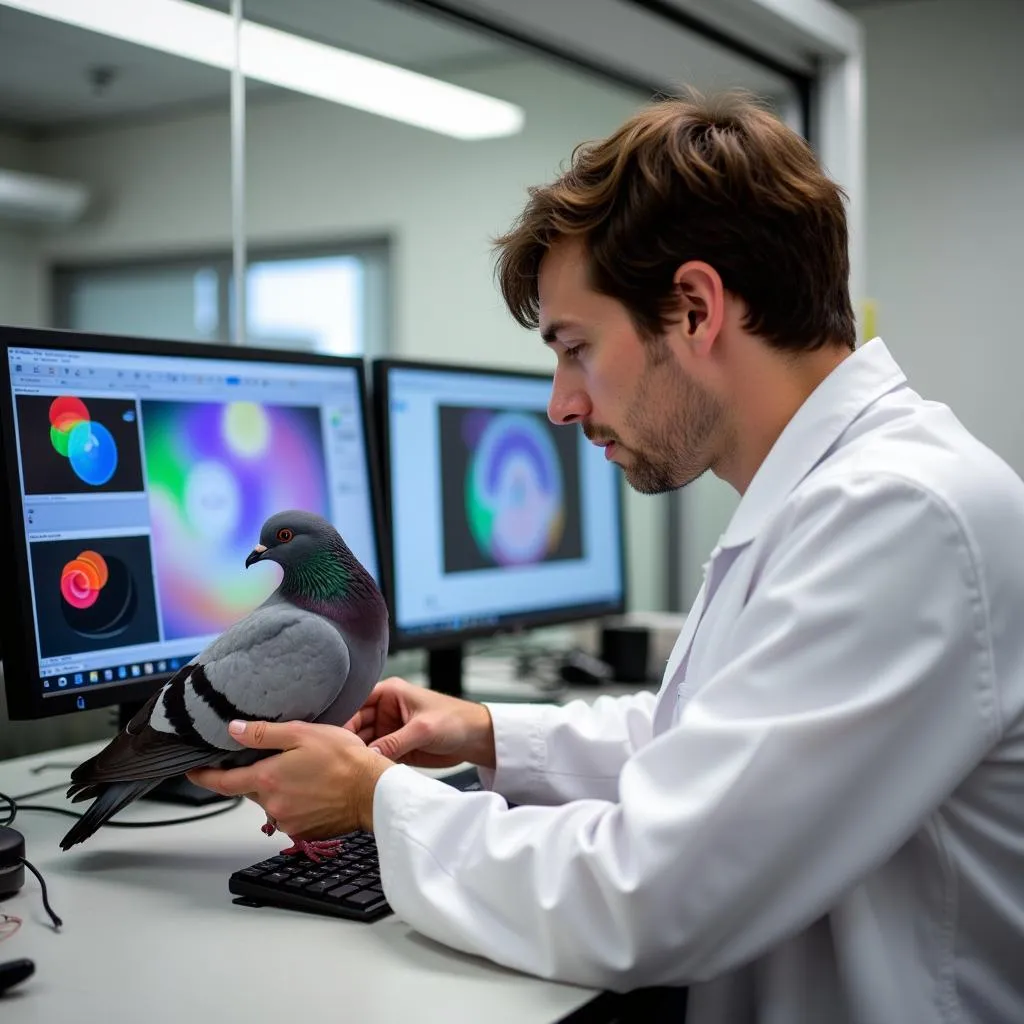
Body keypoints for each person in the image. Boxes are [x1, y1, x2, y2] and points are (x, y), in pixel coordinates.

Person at [190, 92, 1024, 1022]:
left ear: (697, 308)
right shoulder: (840, 493)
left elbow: (652, 896)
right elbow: (714, 743)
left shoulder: (901, 516)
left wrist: (379, 802)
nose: (561, 404)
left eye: (576, 348)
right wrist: (485, 731)